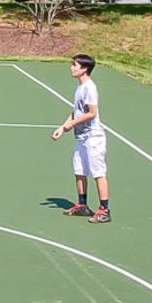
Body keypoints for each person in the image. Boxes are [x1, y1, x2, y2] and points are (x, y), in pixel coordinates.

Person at [52, 53, 110, 223]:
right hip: (82, 137)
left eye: (74, 65)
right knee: (79, 171)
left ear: (84, 69)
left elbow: (92, 113)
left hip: (94, 137)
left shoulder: (90, 88)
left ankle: (104, 210)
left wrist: (73, 124)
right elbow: (76, 111)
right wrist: (63, 127)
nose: (71, 67)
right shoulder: (80, 88)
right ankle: (82, 205)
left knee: (98, 173)